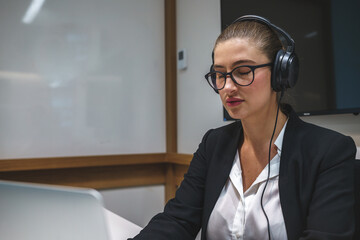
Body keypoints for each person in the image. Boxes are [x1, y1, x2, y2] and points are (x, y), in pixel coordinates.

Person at [129, 15, 356, 240]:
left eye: (243, 71)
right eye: (219, 75)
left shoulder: (329, 152)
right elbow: (177, 220)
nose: (227, 87)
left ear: (280, 74)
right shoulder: (213, 144)